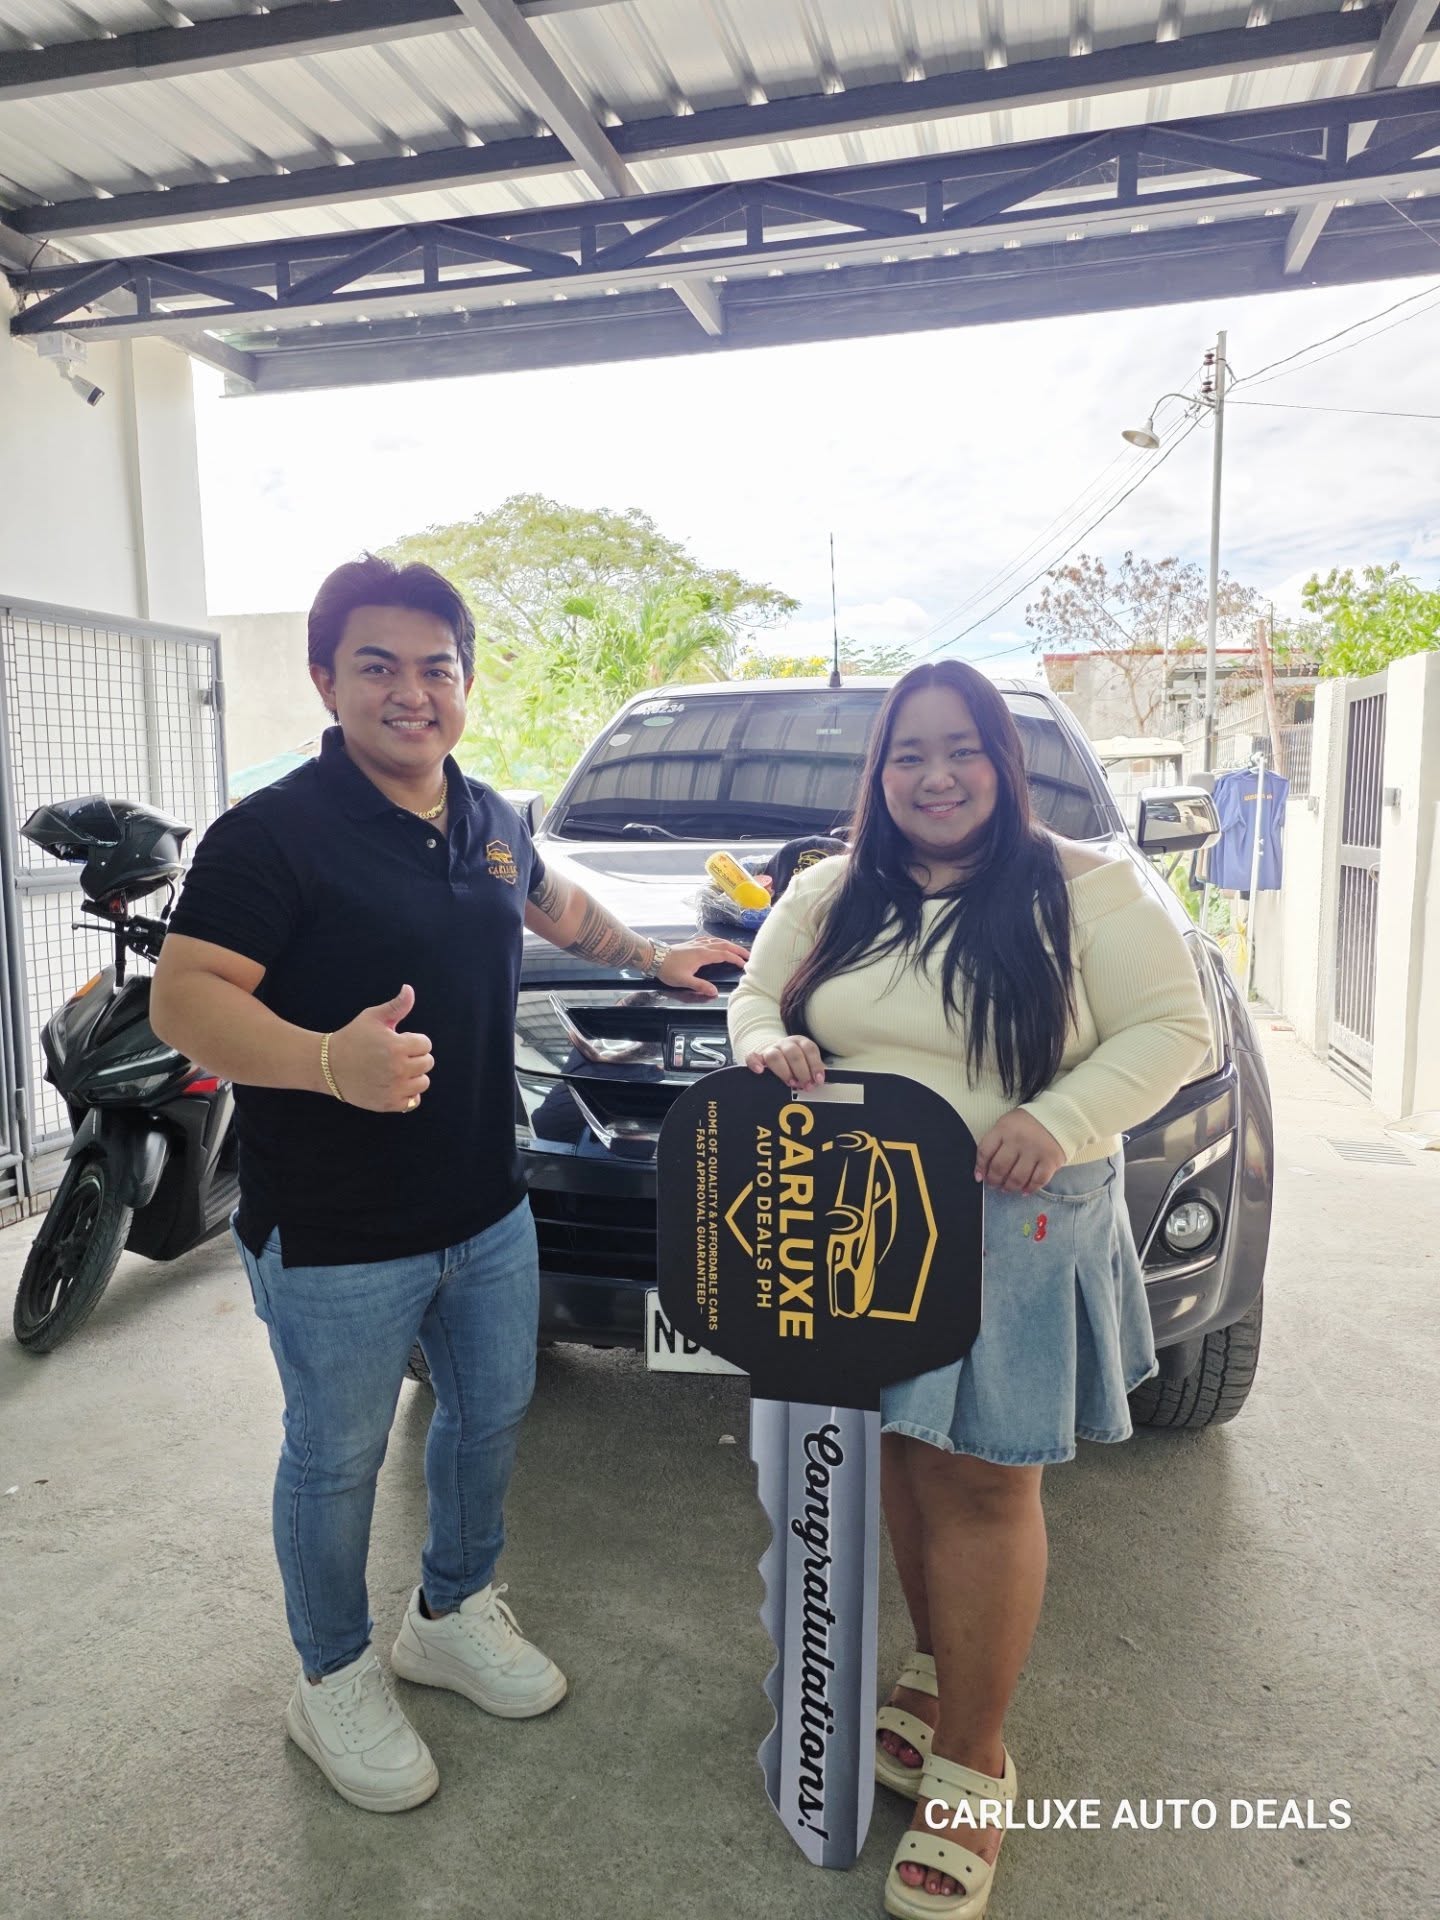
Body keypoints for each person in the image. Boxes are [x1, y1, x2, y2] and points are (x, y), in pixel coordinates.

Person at [151, 553, 746, 1813]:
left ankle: (452, 1611)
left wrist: (656, 957)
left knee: (488, 1418)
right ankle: (331, 1678)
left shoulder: (484, 815)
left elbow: (548, 901)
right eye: (379, 666)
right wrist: (327, 1060)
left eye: (437, 668)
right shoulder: (272, 835)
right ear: (327, 680)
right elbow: (186, 997)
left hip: (487, 1207)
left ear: (466, 685)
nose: (411, 692)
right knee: (337, 1460)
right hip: (334, 1232)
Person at [726, 661, 1210, 1919]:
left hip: (1019, 1214)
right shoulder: (836, 890)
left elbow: (1174, 1032)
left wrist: (1060, 1116)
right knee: (901, 1450)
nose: (935, 778)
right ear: (878, 774)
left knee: (985, 1478)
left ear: (1005, 761)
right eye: (908, 756)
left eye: (963, 752)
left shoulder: (1091, 890)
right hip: (864, 1216)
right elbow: (754, 993)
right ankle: (941, 1675)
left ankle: (976, 1768)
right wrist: (764, 1044)